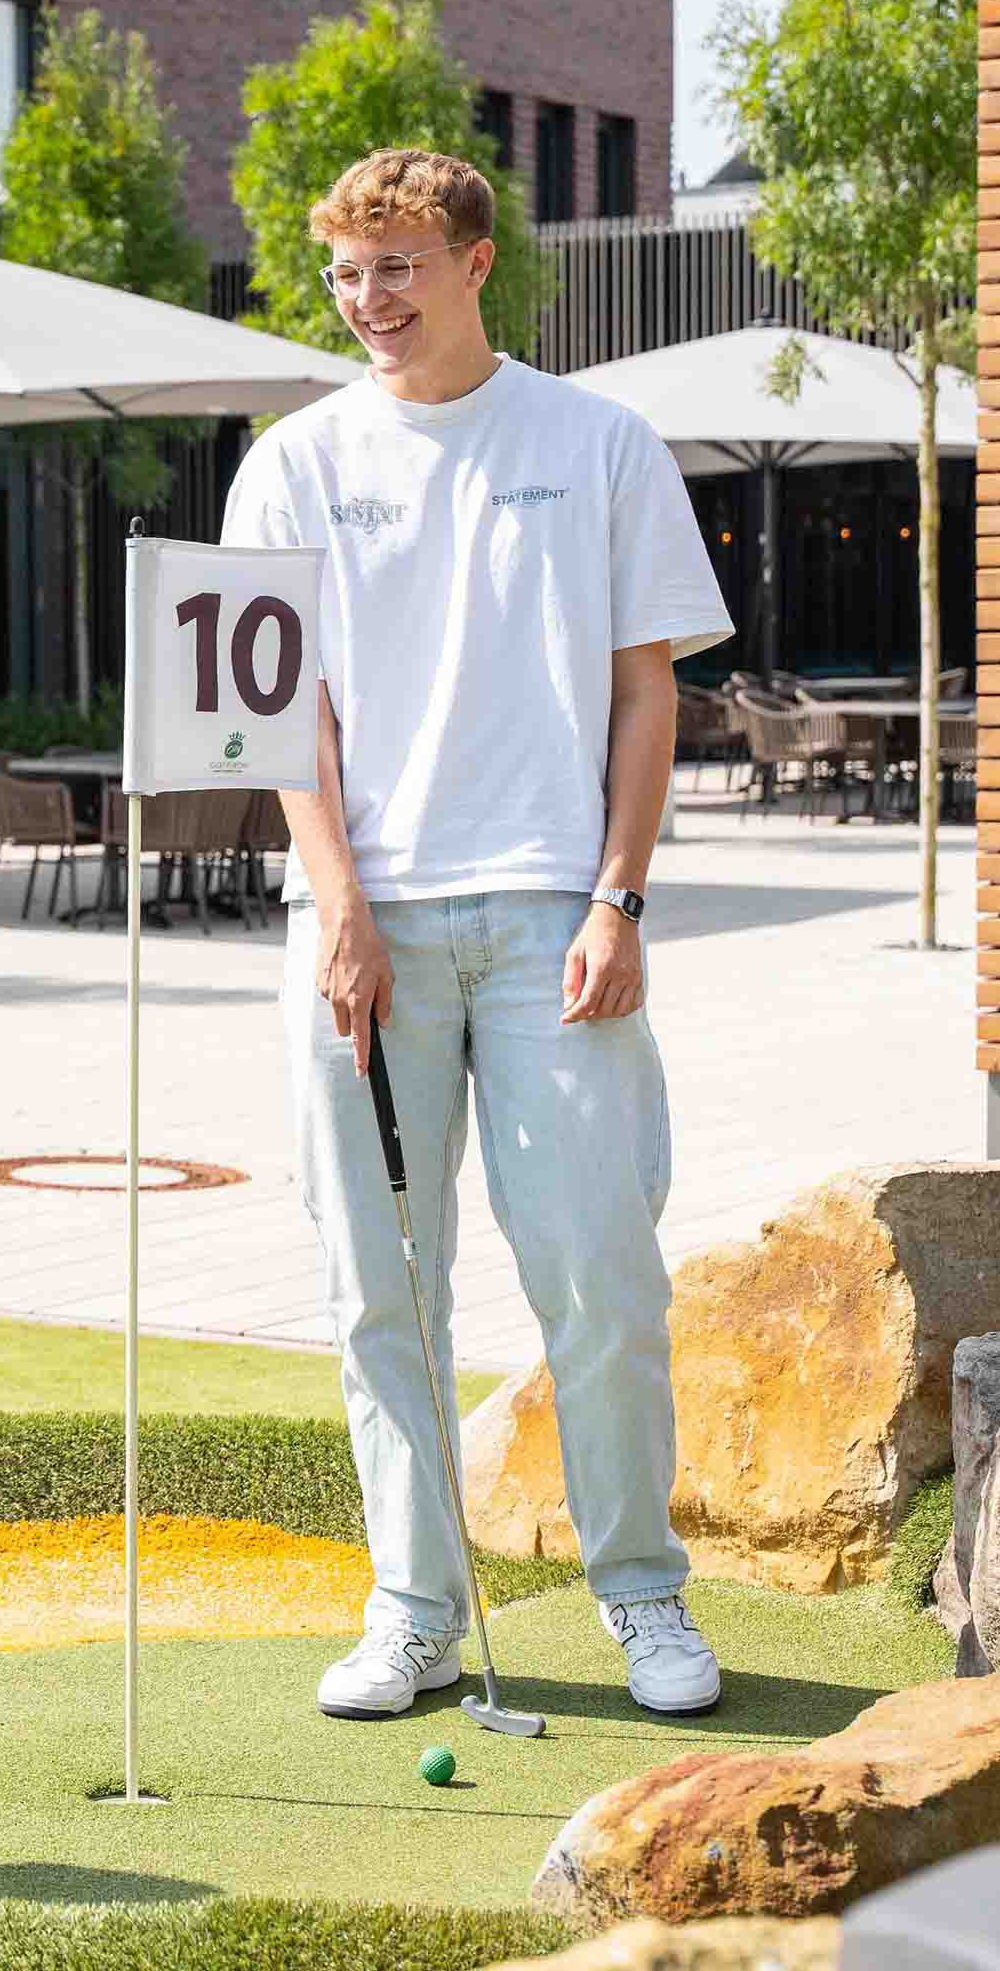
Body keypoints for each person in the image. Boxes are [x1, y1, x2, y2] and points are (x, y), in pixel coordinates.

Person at [221, 148, 735, 1722]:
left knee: (600, 1274)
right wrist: (338, 907)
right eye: (344, 273)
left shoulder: (598, 443)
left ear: (471, 262)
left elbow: (645, 691)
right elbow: (279, 716)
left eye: (396, 267)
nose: (366, 299)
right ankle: (413, 1611)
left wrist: (617, 895)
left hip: (549, 922)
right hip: (355, 928)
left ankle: (640, 1593)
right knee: (380, 1287)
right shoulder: (290, 463)